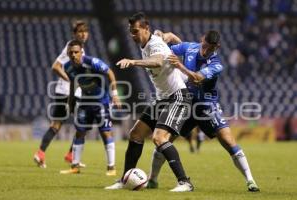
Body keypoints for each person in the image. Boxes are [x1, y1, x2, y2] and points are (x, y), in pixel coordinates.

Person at [147, 30, 260, 192]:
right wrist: (163, 37)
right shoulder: (190, 48)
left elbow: (197, 78)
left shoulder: (216, 65)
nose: (206, 51)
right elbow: (167, 50)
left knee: (228, 141)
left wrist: (180, 66)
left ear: (217, 47)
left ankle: (250, 180)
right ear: (202, 40)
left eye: (210, 49)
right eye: (205, 46)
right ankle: (153, 179)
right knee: (164, 140)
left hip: (207, 106)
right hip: (185, 103)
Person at [105, 12, 194, 192]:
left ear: (146, 28)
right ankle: (125, 179)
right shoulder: (147, 42)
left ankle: (185, 182)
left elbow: (158, 62)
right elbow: (166, 41)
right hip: (162, 98)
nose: (133, 35)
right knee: (136, 134)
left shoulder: (155, 44)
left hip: (178, 96)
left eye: (136, 31)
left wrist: (133, 61)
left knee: (159, 138)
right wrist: (167, 35)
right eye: (131, 31)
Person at [59, 39, 121, 175]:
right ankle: (75, 166)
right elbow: (73, 84)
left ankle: (111, 168)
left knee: (105, 132)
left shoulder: (92, 62)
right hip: (85, 102)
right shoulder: (67, 67)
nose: (73, 55)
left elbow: (110, 72)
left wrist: (115, 94)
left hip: (101, 101)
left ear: (81, 52)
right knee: (79, 132)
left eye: (76, 52)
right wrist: (70, 102)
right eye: (70, 53)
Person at [33, 20, 89, 169]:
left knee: (57, 125)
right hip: (67, 92)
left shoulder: (80, 49)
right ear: (74, 34)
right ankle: (71, 155)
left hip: (64, 92)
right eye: (80, 31)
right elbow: (56, 67)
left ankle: (41, 154)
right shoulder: (71, 48)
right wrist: (71, 80)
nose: (83, 34)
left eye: (85, 31)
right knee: (84, 122)